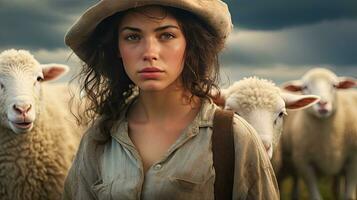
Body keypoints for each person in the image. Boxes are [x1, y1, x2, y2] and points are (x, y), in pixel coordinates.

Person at [62, 0, 279, 199]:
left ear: (190, 43)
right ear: (117, 49)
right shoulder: (99, 137)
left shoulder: (233, 136)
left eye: (166, 35)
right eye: (132, 37)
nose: (150, 52)